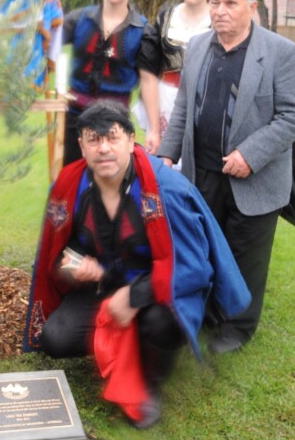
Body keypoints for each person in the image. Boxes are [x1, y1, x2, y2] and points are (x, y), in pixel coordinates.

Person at [24, 101, 249, 429]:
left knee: (163, 323)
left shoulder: (167, 190)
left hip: (157, 293)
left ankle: (150, 379)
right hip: (101, 290)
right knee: (55, 339)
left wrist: (134, 297)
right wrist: (77, 265)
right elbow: (59, 253)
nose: (103, 148)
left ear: (132, 140)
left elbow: (193, 269)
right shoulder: (69, 187)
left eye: (112, 138)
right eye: (93, 139)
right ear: (81, 146)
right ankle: (114, 345)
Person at [158, 0, 295, 354]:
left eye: (230, 2)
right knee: (206, 246)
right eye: (215, 2)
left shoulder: (281, 53)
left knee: (246, 255)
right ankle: (208, 312)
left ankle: (238, 326)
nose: (220, 10)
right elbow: (182, 110)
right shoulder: (197, 47)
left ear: (251, 7)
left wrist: (250, 153)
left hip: (255, 177)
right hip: (202, 171)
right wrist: (166, 155)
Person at [61, 0, 160, 166]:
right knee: (71, 182)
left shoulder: (143, 31)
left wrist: (154, 129)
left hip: (115, 121)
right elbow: (46, 46)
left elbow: (148, 80)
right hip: (74, 117)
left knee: (109, 186)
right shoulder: (78, 20)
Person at [133, 0, 220, 147]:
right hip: (166, 100)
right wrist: (154, 127)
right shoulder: (166, 16)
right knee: (164, 159)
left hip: (205, 101)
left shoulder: (218, 19)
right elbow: (150, 72)